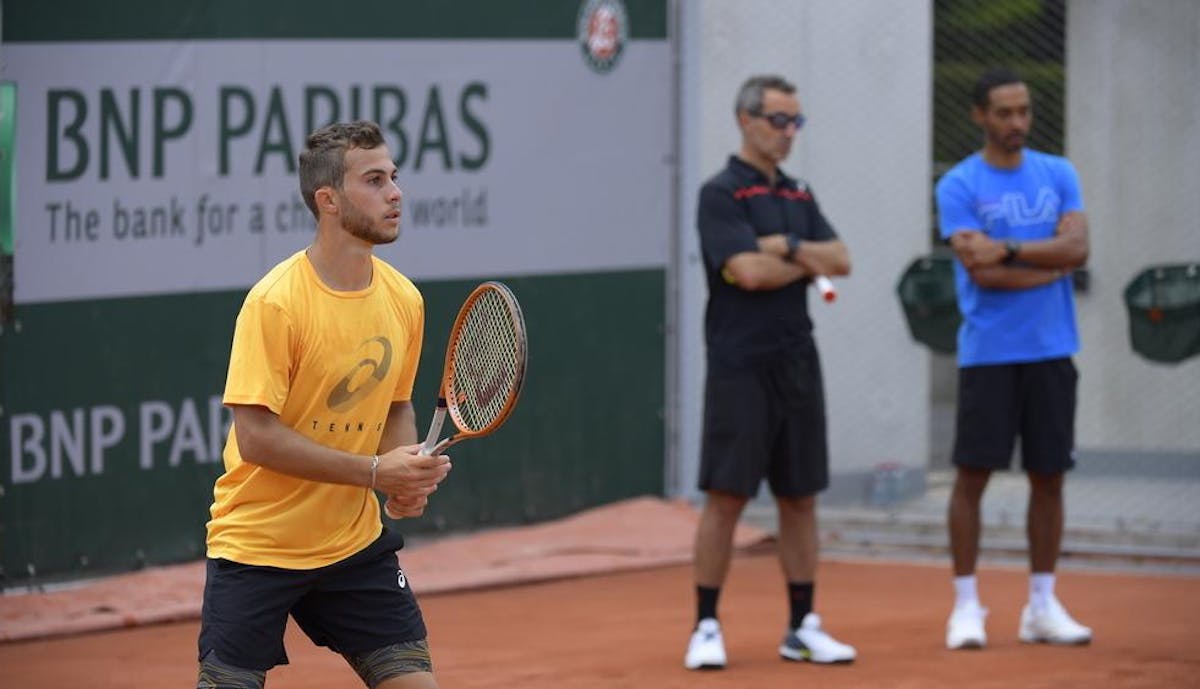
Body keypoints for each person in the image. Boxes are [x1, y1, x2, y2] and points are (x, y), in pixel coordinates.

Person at [197, 120, 453, 689]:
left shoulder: (403, 298)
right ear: (328, 200)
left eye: (394, 176)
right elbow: (256, 437)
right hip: (259, 546)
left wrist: (403, 473)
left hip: (353, 547)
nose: (395, 192)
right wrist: (372, 471)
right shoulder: (276, 303)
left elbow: (393, 408)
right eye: (375, 179)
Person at [684, 74, 855, 671]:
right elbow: (746, 273)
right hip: (739, 364)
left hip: (797, 362)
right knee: (727, 497)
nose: (788, 134)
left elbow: (841, 258)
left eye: (795, 123)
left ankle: (803, 626)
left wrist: (784, 248)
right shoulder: (720, 194)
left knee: (800, 497)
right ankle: (706, 624)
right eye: (779, 121)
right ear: (746, 120)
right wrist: (793, 259)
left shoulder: (801, 194)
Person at [936, 68, 1092, 650]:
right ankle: (966, 606)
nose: (1017, 123)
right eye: (1004, 113)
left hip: (1053, 351)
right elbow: (983, 273)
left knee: (1048, 477)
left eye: (1023, 111)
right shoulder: (958, 184)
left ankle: (1043, 606)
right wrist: (1047, 262)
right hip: (989, 356)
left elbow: (1079, 248)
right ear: (980, 116)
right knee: (972, 477)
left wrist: (1010, 247)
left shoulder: (1059, 173)